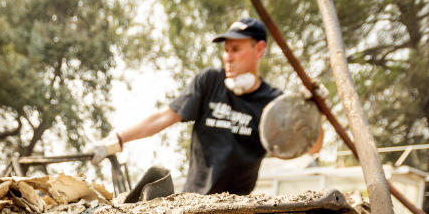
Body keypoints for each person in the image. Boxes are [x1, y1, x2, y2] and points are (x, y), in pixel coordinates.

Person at [91, 16, 321, 195]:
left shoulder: (273, 102)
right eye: (226, 49)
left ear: (259, 49)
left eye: (236, 50)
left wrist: (312, 111)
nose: (227, 57)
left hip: (237, 207)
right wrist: (115, 141)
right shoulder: (210, 82)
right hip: (194, 201)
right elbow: (164, 117)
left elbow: (311, 148)